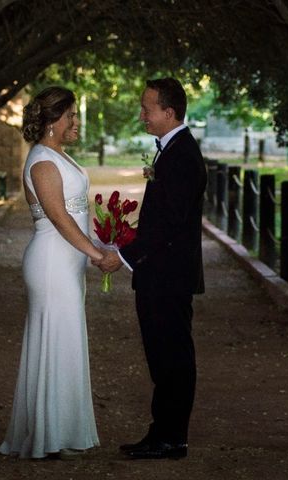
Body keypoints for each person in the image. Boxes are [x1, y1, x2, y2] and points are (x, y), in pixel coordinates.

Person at [94, 78, 207, 459]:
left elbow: (169, 224)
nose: (141, 115)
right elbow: (161, 219)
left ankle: (171, 437)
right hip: (161, 275)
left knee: (171, 356)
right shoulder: (171, 151)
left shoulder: (182, 156)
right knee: (162, 356)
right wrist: (126, 238)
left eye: (147, 109)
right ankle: (165, 433)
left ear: (169, 113)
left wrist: (122, 255)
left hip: (168, 278)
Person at [0, 86, 102, 459]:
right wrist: (95, 252)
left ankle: (61, 430)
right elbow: (58, 217)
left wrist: (101, 240)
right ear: (53, 121)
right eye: (71, 116)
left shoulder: (60, 155)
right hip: (51, 263)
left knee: (66, 343)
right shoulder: (42, 161)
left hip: (67, 264)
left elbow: (77, 211)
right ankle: (47, 436)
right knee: (55, 343)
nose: (76, 122)